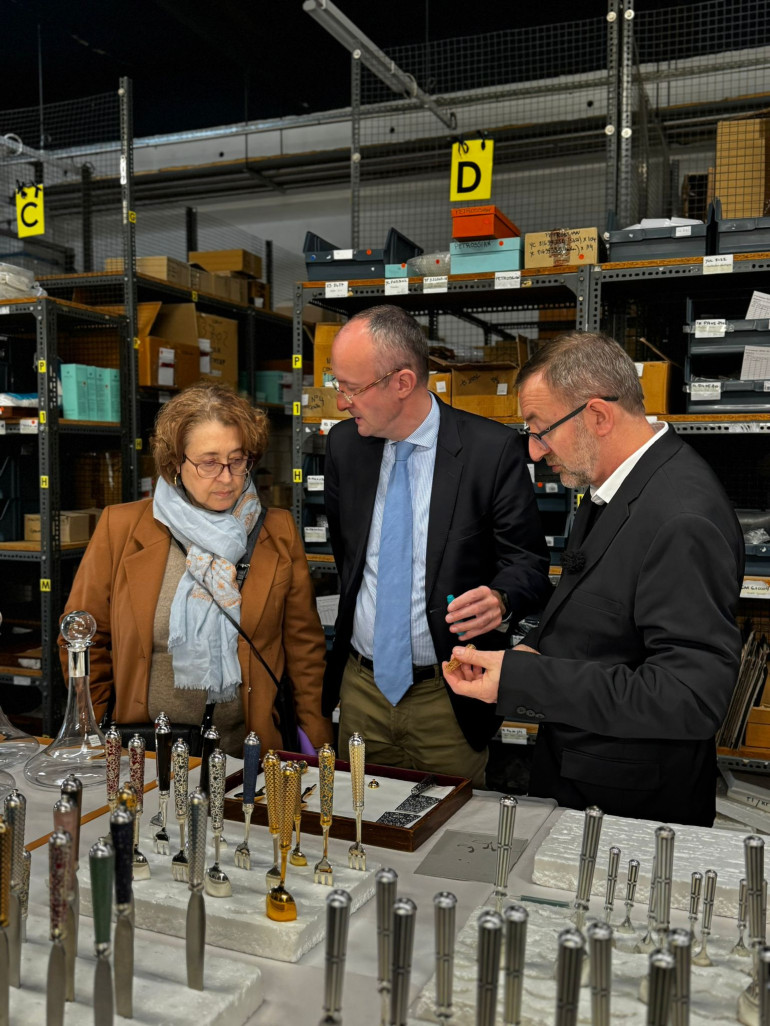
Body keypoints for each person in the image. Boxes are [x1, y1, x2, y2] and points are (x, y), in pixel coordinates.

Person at [443, 330, 744, 826]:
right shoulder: (613, 487)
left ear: (598, 416)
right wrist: (528, 653)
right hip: (584, 784)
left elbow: (688, 698)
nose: (533, 452)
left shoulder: (680, 518)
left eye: (540, 430)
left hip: (632, 813)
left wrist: (525, 680)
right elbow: (599, 618)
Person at [323, 304, 552, 786]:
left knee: (452, 825)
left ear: (402, 383)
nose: (341, 402)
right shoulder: (344, 446)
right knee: (356, 817)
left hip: (448, 694)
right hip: (361, 691)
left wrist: (502, 597)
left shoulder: (491, 452)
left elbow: (529, 562)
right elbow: (348, 555)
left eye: (351, 388)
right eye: (336, 384)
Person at [61, 382, 333, 756]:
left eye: (237, 460)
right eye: (209, 463)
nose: (227, 477)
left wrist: (318, 745)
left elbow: (304, 651)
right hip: (145, 753)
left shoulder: (278, 531)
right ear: (176, 463)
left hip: (247, 753)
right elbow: (81, 638)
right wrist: (94, 729)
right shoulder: (121, 528)